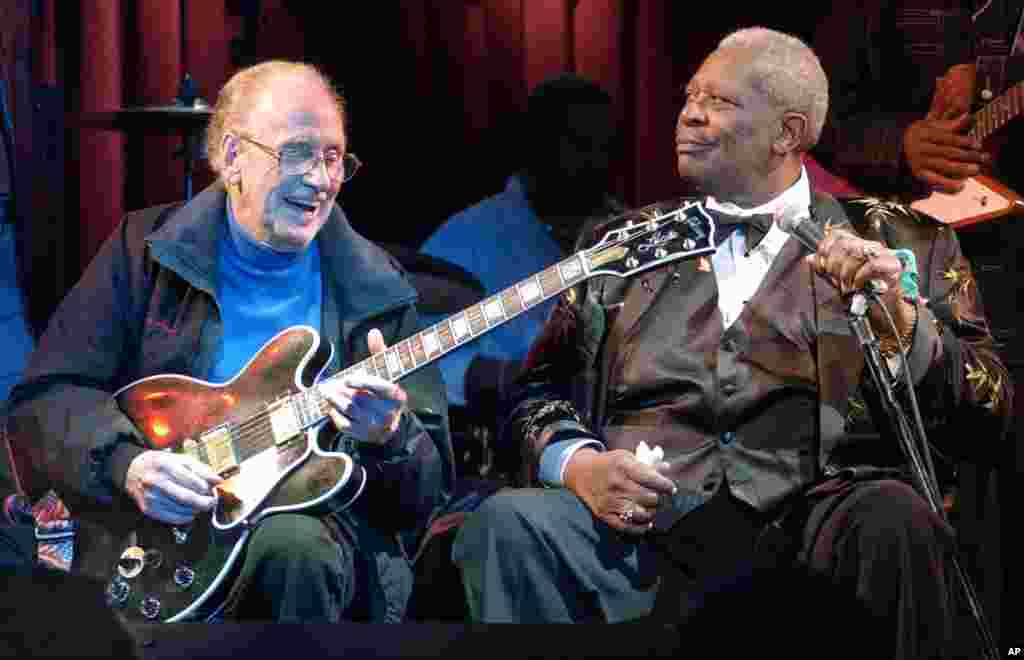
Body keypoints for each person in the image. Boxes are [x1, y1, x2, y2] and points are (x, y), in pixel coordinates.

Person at [452, 27, 1012, 658]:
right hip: (642, 535)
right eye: (690, 95)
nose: (689, 112)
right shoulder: (622, 241)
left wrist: (907, 328)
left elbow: (992, 410)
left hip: (816, 535)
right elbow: (537, 389)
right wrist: (578, 464)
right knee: (509, 524)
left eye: (718, 101)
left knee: (893, 514)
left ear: (788, 132)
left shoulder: (907, 240)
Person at [3, 60, 454, 623]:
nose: (320, 178)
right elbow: (46, 399)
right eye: (297, 152)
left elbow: (426, 493)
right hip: (150, 547)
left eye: (334, 157)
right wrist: (129, 464)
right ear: (232, 157)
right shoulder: (143, 251)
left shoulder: (377, 289)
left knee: (295, 548)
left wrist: (390, 437)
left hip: (306, 552)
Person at [418, 73, 623, 474]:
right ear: (539, 147)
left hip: (611, 445)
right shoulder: (469, 235)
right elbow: (418, 360)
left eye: (606, 148)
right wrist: (488, 375)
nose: (595, 161)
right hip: (500, 449)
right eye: (580, 145)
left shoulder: (627, 232)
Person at [811, 0, 1022, 197]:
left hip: (996, 195)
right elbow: (815, 112)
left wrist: (991, 76)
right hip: (878, 201)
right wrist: (898, 146)